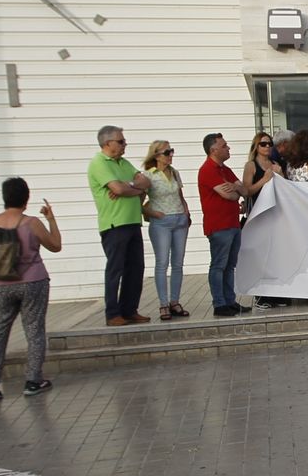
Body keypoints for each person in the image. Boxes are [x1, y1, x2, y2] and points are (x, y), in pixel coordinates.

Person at [0, 177, 61, 400]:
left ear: (4, 197)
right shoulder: (31, 223)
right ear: (27, 197)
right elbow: (55, 246)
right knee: (34, 331)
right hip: (33, 282)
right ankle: (33, 380)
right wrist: (51, 220)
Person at [87, 126, 150, 326]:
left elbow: (145, 182)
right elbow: (117, 188)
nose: (125, 144)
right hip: (114, 224)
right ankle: (112, 312)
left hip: (132, 221)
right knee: (116, 269)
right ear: (107, 143)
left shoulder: (123, 162)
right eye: (121, 141)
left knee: (136, 267)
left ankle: (130, 309)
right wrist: (131, 187)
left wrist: (128, 186)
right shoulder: (99, 163)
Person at [198, 133, 247, 318]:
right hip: (219, 226)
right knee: (219, 264)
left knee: (230, 265)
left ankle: (229, 300)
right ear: (214, 149)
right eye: (224, 146)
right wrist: (235, 191)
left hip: (232, 223)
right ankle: (219, 303)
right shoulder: (208, 170)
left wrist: (235, 188)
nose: (228, 148)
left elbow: (243, 189)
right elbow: (232, 195)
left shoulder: (224, 169)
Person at [141, 140, 191, 321]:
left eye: (171, 151)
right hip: (161, 221)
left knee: (178, 262)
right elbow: (139, 202)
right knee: (162, 262)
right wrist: (153, 212)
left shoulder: (174, 173)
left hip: (179, 219)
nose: (170, 155)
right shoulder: (148, 175)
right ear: (156, 155)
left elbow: (180, 195)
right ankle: (163, 303)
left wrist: (186, 211)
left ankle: (175, 301)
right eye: (166, 152)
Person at [240, 132, 289, 309]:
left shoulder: (276, 164)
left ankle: (276, 293)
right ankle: (261, 296)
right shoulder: (251, 166)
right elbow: (247, 190)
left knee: (275, 255)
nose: (267, 147)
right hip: (258, 215)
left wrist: (281, 174)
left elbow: (286, 189)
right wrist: (264, 180)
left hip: (275, 215)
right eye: (263, 144)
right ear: (256, 146)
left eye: (269, 144)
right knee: (260, 257)